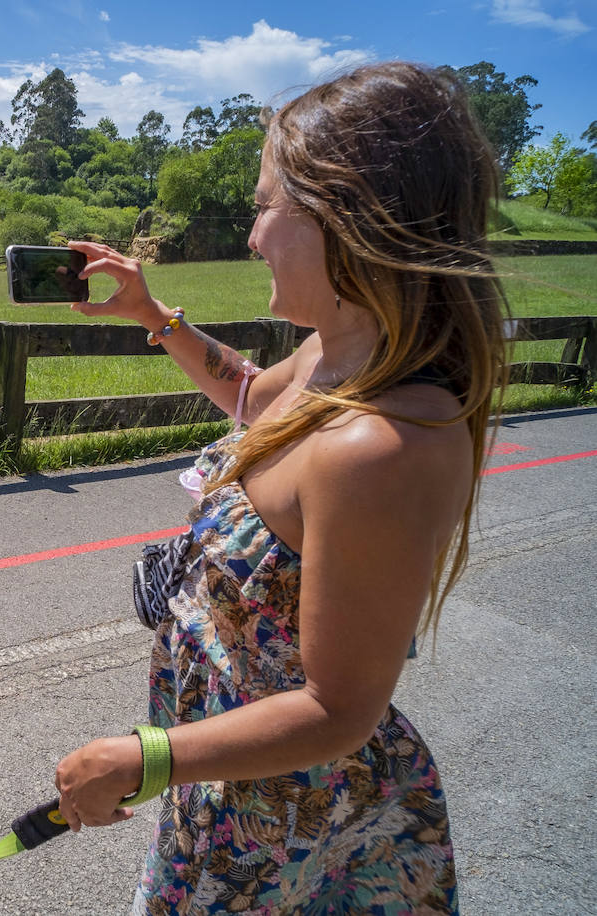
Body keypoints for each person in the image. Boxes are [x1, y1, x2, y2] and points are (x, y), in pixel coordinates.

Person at [53, 61, 507, 914]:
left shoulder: (380, 447)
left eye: (266, 206)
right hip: (230, 773)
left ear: (349, 218)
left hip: (288, 816)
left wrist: (147, 755)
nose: (252, 235)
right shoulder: (338, 351)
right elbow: (258, 402)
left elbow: (339, 711)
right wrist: (156, 317)